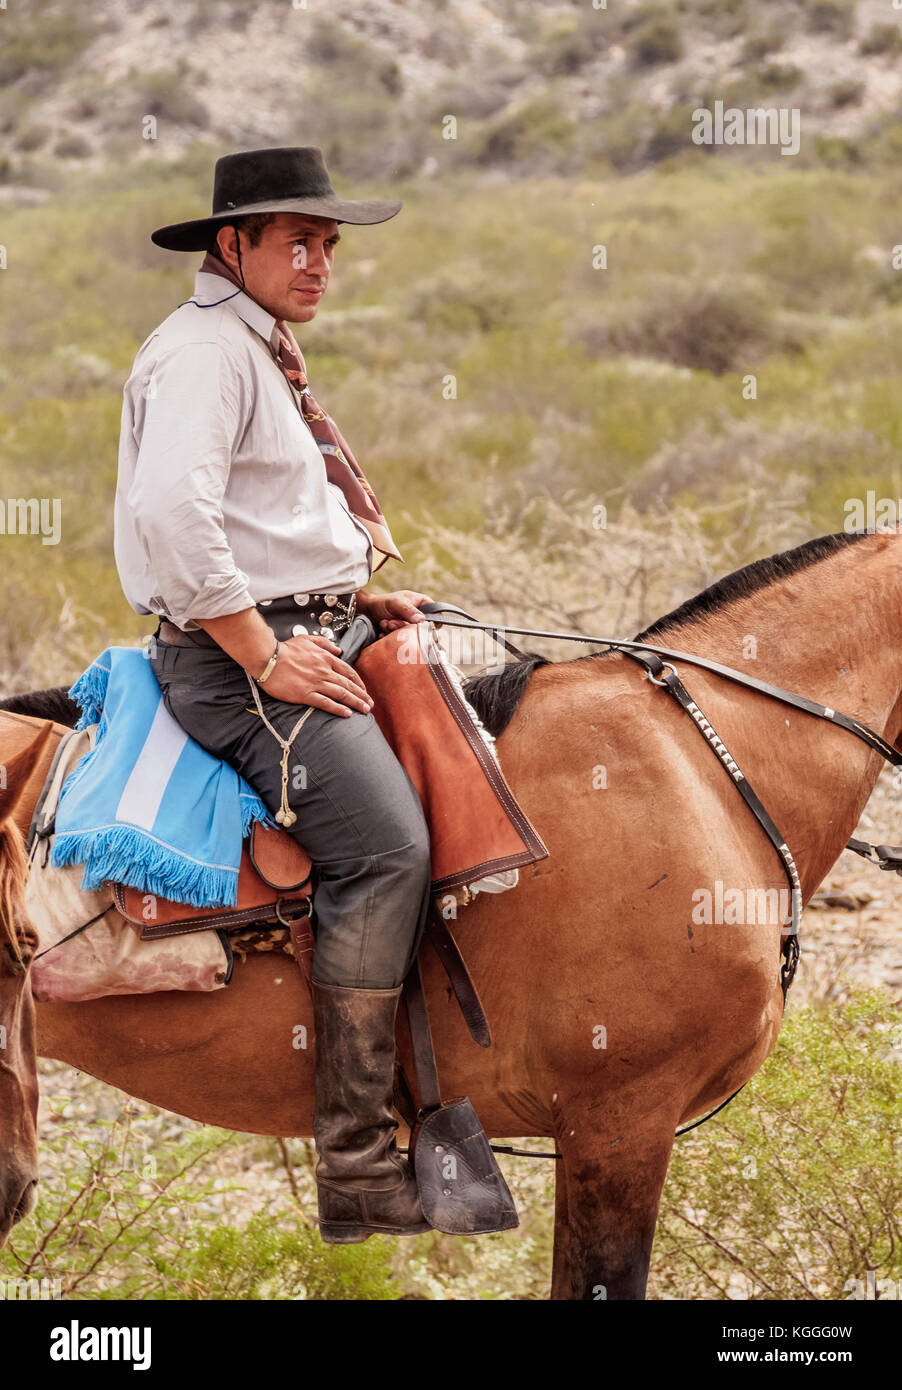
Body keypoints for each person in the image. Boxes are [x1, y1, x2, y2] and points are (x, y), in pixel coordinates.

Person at [114, 147, 436, 1243]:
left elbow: (255, 516)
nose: (317, 263)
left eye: (329, 245)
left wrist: (349, 601)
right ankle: (355, 1159)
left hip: (305, 623)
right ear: (231, 245)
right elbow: (174, 520)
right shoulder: (204, 354)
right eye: (294, 241)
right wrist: (265, 650)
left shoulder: (255, 344)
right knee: (387, 845)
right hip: (229, 660)